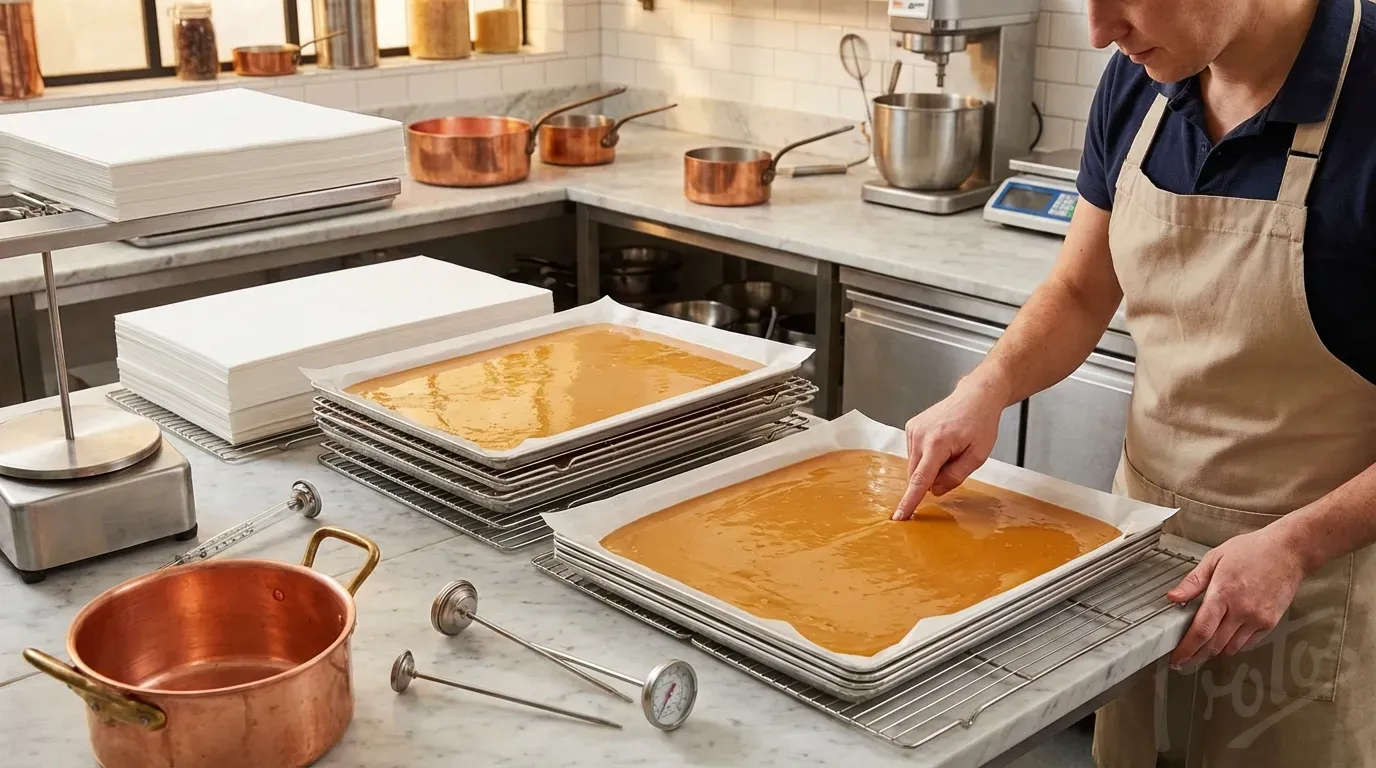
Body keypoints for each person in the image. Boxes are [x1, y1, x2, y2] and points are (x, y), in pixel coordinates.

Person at [890, 0, 1376, 764]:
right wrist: (985, 386)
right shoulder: (1139, 79)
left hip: (1322, 586)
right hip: (1145, 561)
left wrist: (1297, 547)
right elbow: (1082, 290)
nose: (1098, 29)